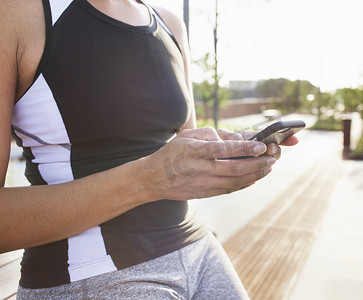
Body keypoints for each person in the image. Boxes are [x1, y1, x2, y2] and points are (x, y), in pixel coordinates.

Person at [0, 0, 298, 299]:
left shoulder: (169, 23)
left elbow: (184, 147)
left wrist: (226, 151)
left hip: (197, 248)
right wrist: (147, 179)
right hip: (90, 273)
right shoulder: (19, 13)